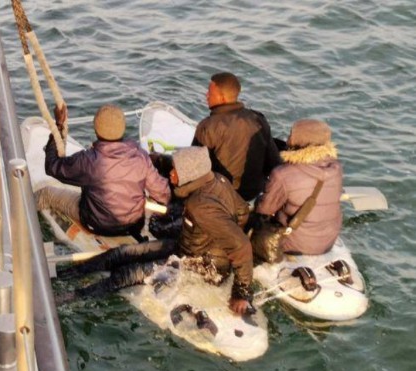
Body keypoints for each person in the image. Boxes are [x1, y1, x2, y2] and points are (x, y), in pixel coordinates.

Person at [58, 147, 254, 315]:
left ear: (189, 174)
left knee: (128, 274)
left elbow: (242, 246)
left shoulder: (200, 206)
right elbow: (243, 211)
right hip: (186, 247)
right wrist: (207, 236)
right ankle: (69, 274)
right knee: (122, 253)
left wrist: (241, 294)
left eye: (175, 170)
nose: (170, 174)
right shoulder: (218, 180)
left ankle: (72, 296)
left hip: (202, 265)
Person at [36, 104, 170, 240]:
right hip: (134, 225)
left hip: (97, 224)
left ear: (96, 130)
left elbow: (52, 166)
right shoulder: (141, 156)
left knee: (46, 193)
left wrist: (59, 126)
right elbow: (162, 193)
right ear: (123, 128)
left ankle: (19, 218)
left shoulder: (88, 160)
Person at [252, 119, 343, 257]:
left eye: (291, 135)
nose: (288, 139)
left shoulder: (282, 173)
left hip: (294, 243)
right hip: (328, 241)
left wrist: (259, 200)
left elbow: (265, 209)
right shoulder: (336, 167)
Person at [191, 72, 281, 201]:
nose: (206, 96)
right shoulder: (259, 119)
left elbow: (194, 168)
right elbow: (273, 162)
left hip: (222, 196)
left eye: (209, 93)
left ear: (222, 98)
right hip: (253, 193)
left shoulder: (208, 126)